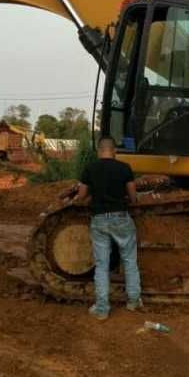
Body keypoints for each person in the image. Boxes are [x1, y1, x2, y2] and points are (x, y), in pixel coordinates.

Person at [74, 135, 142, 320]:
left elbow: (81, 196)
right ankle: (133, 301)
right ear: (114, 151)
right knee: (129, 260)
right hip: (121, 218)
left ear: (98, 150)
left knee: (102, 265)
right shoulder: (124, 168)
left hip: (99, 220)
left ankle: (102, 309)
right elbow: (133, 197)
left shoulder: (90, 168)